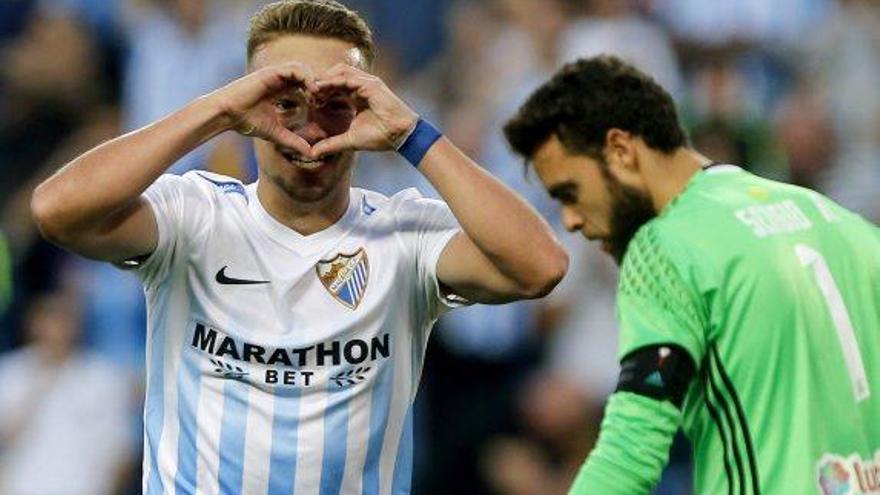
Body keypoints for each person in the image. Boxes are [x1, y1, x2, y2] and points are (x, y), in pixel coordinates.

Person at [29, 1, 569, 493]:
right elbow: (57, 210)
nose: (309, 129)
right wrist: (216, 112)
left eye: (336, 104)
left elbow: (539, 267)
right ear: (250, 102)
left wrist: (412, 133)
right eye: (284, 103)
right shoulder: (193, 214)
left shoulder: (405, 233)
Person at [503, 55, 880, 494]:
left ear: (622, 150)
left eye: (570, 192)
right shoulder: (833, 219)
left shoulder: (665, 247)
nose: (568, 220)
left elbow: (630, 454)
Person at [0, 291, 134, 495]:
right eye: (48, 321)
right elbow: (6, 436)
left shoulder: (102, 377)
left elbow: (120, 449)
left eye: (64, 321)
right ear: (33, 325)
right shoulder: (11, 373)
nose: (56, 331)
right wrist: (40, 384)